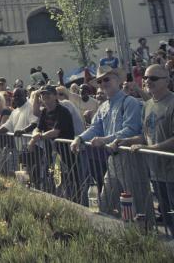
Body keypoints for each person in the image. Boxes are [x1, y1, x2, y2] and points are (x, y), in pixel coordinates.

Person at [71, 66, 144, 218]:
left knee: (139, 205)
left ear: (118, 80)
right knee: (105, 203)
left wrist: (104, 139)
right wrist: (79, 138)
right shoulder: (103, 106)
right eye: (100, 81)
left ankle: (148, 237)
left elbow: (131, 129)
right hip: (112, 159)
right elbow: (95, 128)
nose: (103, 83)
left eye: (106, 79)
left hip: (130, 158)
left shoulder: (130, 102)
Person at [110, 64, 174, 235]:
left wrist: (148, 148)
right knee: (169, 221)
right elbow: (145, 135)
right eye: (145, 77)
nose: (147, 81)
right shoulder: (147, 105)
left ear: (167, 81)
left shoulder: (172, 102)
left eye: (153, 78)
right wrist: (126, 140)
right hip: (156, 173)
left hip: (171, 173)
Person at [28, 85, 75, 192]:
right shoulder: (44, 112)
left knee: (68, 181)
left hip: (65, 153)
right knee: (53, 178)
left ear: (55, 96)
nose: (45, 96)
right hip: (51, 153)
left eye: (48, 93)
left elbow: (55, 132)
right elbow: (38, 128)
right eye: (43, 94)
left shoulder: (63, 111)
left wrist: (37, 137)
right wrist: (35, 135)